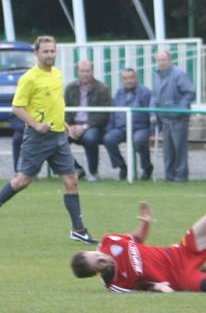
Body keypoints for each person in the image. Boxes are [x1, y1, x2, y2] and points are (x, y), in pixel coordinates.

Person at [70, 201, 206, 295]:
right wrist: (157, 288)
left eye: (97, 254)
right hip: (181, 277)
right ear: (96, 272)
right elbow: (142, 289)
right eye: (99, 262)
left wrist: (145, 222)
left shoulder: (109, 242)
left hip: (180, 251)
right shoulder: (115, 284)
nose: (103, 257)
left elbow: (137, 239)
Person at [0, 36, 96, 244]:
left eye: (52, 51)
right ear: (37, 53)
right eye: (46, 51)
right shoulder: (29, 78)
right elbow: (17, 108)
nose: (50, 55)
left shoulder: (57, 74)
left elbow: (55, 104)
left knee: (71, 180)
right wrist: (36, 125)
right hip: (37, 137)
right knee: (22, 181)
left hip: (59, 136)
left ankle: (78, 230)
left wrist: (66, 126)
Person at [151, 50, 195, 182]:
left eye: (163, 59)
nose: (161, 62)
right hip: (164, 119)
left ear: (170, 60)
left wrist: (180, 109)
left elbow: (190, 93)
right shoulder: (157, 76)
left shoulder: (179, 74)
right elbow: (154, 97)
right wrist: (153, 112)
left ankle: (181, 176)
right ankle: (169, 176)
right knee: (168, 150)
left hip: (179, 119)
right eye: (158, 60)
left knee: (179, 149)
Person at [64, 59, 112, 182]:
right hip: (73, 125)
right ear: (77, 72)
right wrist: (70, 127)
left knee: (90, 138)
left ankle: (93, 172)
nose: (85, 74)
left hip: (93, 126)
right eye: (82, 71)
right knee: (57, 139)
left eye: (87, 71)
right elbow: (65, 110)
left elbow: (104, 115)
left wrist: (84, 127)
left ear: (92, 71)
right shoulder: (70, 88)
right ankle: (76, 169)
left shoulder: (103, 89)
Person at [105, 68, 153, 180]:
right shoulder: (119, 92)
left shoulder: (145, 92)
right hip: (121, 128)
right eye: (126, 78)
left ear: (136, 78)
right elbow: (113, 111)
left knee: (139, 140)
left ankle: (147, 168)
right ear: (122, 80)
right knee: (108, 139)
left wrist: (152, 130)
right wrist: (110, 128)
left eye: (131, 77)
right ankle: (122, 166)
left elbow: (151, 112)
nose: (129, 81)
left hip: (140, 128)